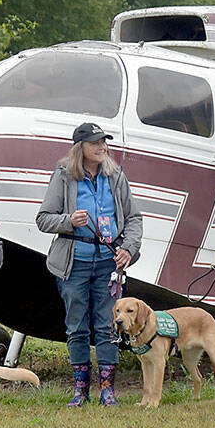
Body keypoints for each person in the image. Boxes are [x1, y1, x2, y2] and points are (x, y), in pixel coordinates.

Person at [36, 122, 143, 406]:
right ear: (79, 147)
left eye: (104, 142)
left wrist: (129, 249)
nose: (102, 147)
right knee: (77, 326)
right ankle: (80, 390)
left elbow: (134, 219)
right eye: (95, 143)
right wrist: (68, 221)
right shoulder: (63, 176)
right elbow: (43, 218)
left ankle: (107, 390)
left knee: (110, 325)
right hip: (74, 265)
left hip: (108, 265)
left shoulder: (116, 175)